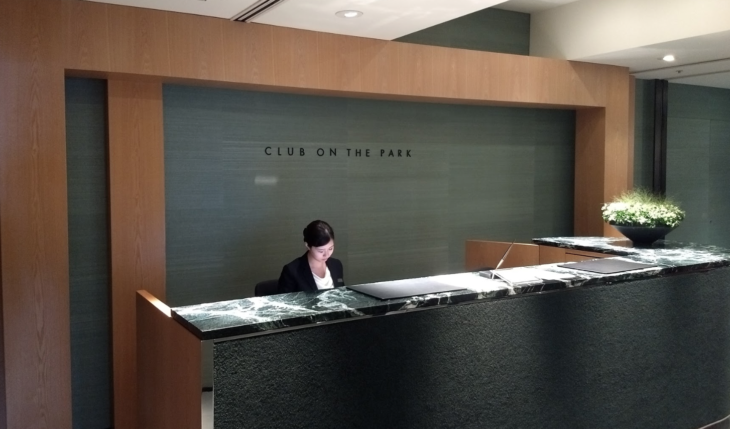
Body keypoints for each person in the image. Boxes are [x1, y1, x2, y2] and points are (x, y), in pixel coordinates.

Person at [278, 220, 345, 293]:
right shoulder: (292, 271)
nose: (327, 254)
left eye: (330, 248)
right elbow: (284, 302)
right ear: (308, 246)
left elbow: (342, 295)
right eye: (321, 251)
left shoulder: (336, 265)